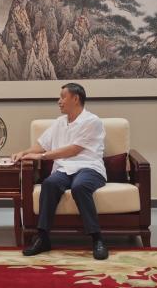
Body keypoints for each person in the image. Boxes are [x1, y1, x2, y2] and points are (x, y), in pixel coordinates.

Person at [14, 82, 109, 261]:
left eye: (62, 97)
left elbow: (73, 150)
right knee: (49, 184)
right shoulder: (59, 122)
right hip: (65, 168)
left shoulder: (92, 121)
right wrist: (24, 152)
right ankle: (43, 238)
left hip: (89, 167)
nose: (59, 101)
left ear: (75, 98)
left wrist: (42, 157)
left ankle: (97, 239)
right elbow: (41, 144)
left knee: (80, 187)